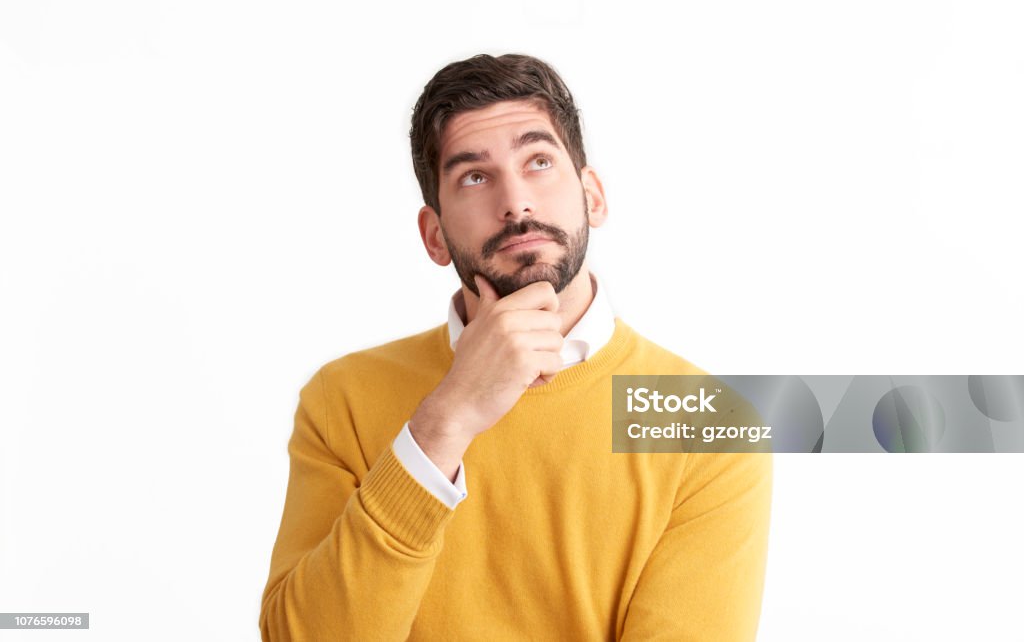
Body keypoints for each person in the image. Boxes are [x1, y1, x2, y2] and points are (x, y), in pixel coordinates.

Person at [259, 53, 772, 641]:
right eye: (474, 176)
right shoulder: (342, 399)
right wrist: (442, 423)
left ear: (593, 198)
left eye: (538, 162)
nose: (516, 202)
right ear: (435, 236)